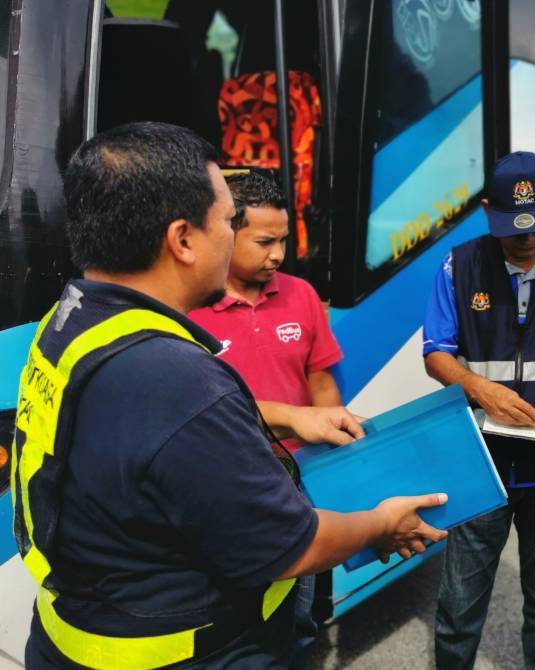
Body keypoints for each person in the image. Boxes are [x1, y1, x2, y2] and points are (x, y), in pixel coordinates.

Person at [11, 122, 447, 669]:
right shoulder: (177, 380)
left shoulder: (71, 322)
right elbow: (291, 546)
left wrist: (290, 417)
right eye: (227, 221)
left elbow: (151, 444)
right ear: (183, 239)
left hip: (70, 639)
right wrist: (382, 523)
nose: (235, 237)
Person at [424, 151, 535, 669]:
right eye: (514, 231)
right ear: (487, 210)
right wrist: (477, 388)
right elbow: (435, 352)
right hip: (479, 463)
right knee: (459, 607)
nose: (528, 241)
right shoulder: (458, 266)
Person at [188, 170, 345, 639]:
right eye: (264, 242)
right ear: (224, 232)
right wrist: (293, 418)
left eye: (283, 240)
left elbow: (321, 384)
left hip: (298, 479)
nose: (277, 254)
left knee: (299, 609)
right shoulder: (189, 306)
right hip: (227, 483)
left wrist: (336, 462)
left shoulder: (301, 295)